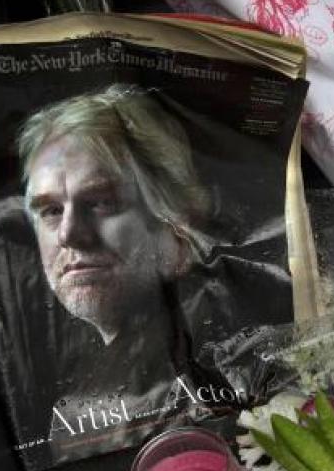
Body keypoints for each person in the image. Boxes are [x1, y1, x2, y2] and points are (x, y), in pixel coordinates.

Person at [17, 83, 210, 345]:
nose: (68, 234)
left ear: (179, 231)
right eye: (52, 211)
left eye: (101, 202)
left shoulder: (233, 350)